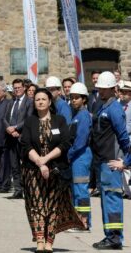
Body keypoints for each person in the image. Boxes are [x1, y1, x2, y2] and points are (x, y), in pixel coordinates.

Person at [21, 88, 84, 253]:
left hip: (56, 169)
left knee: (52, 206)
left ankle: (50, 242)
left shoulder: (60, 120)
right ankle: (40, 240)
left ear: (50, 102)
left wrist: (46, 159)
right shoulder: (30, 121)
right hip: (33, 170)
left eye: (43, 99)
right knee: (37, 205)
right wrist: (40, 163)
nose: (40, 101)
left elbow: (65, 143)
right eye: (37, 99)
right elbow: (25, 144)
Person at [91, 71, 130, 250]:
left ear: (113, 89)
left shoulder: (114, 109)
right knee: (106, 200)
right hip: (103, 163)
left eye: (105, 89)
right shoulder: (103, 106)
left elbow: (124, 139)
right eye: (100, 88)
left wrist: (125, 162)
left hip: (112, 163)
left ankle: (115, 238)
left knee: (112, 200)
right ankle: (109, 236)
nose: (101, 91)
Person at [67, 82, 93, 232]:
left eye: (77, 98)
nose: (73, 100)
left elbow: (80, 141)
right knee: (76, 189)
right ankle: (79, 220)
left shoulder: (83, 116)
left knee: (81, 189)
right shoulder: (77, 115)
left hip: (81, 155)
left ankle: (83, 222)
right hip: (77, 155)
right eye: (72, 98)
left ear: (84, 99)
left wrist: (69, 154)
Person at [4, 78, 33, 199]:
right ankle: (17, 189)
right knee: (14, 165)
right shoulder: (10, 102)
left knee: (26, 165)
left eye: (19, 88)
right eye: (15, 88)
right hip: (11, 138)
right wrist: (8, 129)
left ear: (24, 88)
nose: (17, 90)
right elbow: (5, 118)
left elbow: (28, 118)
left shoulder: (29, 102)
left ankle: (28, 190)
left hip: (23, 138)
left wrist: (16, 128)